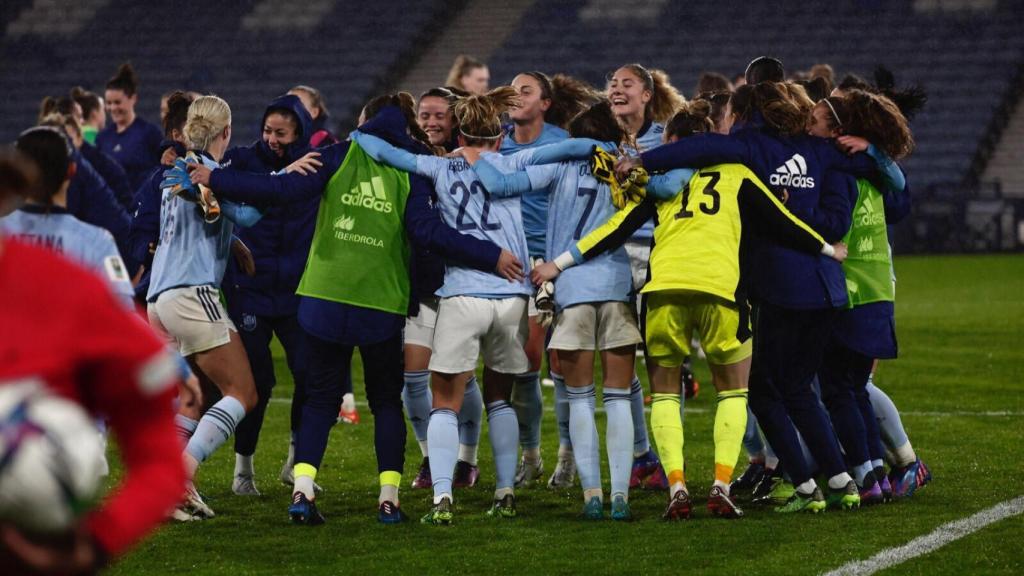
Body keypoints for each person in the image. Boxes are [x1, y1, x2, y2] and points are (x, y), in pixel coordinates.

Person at [178, 91, 520, 525]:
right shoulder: (411, 167)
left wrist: (215, 178)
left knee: (320, 399)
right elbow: (426, 231)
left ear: (366, 122)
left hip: (323, 296)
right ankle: (389, 499)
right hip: (380, 302)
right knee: (385, 403)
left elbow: (279, 189)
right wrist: (488, 256)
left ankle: (302, 491)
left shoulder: (337, 155)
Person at [530, 99, 847, 520]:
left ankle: (677, 486)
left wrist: (560, 262)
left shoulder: (662, 180)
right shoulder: (738, 173)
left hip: (664, 289)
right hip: (720, 288)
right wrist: (828, 248)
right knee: (733, 390)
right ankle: (720, 484)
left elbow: (615, 228)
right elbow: (783, 221)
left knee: (664, 392)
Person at [616, 80, 906, 513]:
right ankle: (846, 481)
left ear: (747, 113)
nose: (729, 120)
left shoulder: (750, 146)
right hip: (825, 288)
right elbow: (891, 185)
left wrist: (640, 158)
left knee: (763, 390)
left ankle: (808, 486)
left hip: (779, 287)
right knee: (800, 389)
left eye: (732, 112)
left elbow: (695, 151)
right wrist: (874, 152)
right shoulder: (821, 151)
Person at [350, 87, 534, 524]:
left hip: (461, 293)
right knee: (500, 400)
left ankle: (442, 498)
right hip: (511, 295)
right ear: (500, 135)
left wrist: (359, 135)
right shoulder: (516, 163)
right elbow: (567, 151)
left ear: (459, 128)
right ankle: (505, 492)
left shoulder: (435, 165)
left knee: (444, 401)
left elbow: (372, 144)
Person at [0, 141, 183, 574]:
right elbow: (126, 319)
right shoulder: (89, 254)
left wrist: (97, 545)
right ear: (70, 173)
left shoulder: (61, 279)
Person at [147, 95, 262, 520]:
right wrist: (284, 180)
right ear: (227, 133)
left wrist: (231, 242)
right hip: (191, 293)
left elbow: (196, 219)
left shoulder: (177, 168)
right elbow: (244, 212)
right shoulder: (203, 172)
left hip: (159, 300)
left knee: (192, 398)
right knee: (242, 392)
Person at [217, 94, 319, 497]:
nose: (271, 139)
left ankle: (296, 463)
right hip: (252, 292)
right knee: (256, 383)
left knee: (309, 378)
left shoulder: (314, 165)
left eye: (280, 133)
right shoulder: (243, 161)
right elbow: (216, 174)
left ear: (298, 134)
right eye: (267, 130)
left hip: (298, 292)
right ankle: (244, 470)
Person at [501, 71, 594, 489]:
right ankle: (531, 455)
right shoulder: (497, 141)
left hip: (552, 261)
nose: (516, 96)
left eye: (526, 91)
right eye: (513, 90)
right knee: (521, 366)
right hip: (507, 262)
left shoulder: (562, 143)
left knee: (558, 363)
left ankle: (567, 457)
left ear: (545, 103)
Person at [607, 63, 687, 491]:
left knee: (661, 361)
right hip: (611, 257)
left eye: (627, 84)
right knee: (617, 357)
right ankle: (642, 455)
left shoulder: (664, 141)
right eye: (613, 84)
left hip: (658, 254)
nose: (617, 90)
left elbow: (673, 185)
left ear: (646, 95)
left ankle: (756, 455)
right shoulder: (600, 141)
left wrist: (639, 168)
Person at [406, 86, 489, 490]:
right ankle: (429, 457)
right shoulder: (412, 163)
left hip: (463, 282)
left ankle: (466, 460)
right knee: (413, 376)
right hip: (421, 282)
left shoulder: (473, 162)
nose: (431, 122)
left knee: (462, 378)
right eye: (425, 115)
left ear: (456, 120)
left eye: (440, 115)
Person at [0, 127, 132, 306]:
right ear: (72, 170)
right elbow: (123, 308)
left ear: (18, 175)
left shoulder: (3, 237)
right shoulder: (98, 242)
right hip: (77, 332)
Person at [96, 63, 163, 191]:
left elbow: (163, 171)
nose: (112, 108)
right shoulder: (103, 138)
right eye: (109, 103)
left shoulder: (149, 133)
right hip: (113, 208)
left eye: (117, 102)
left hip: (141, 207)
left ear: (133, 99)